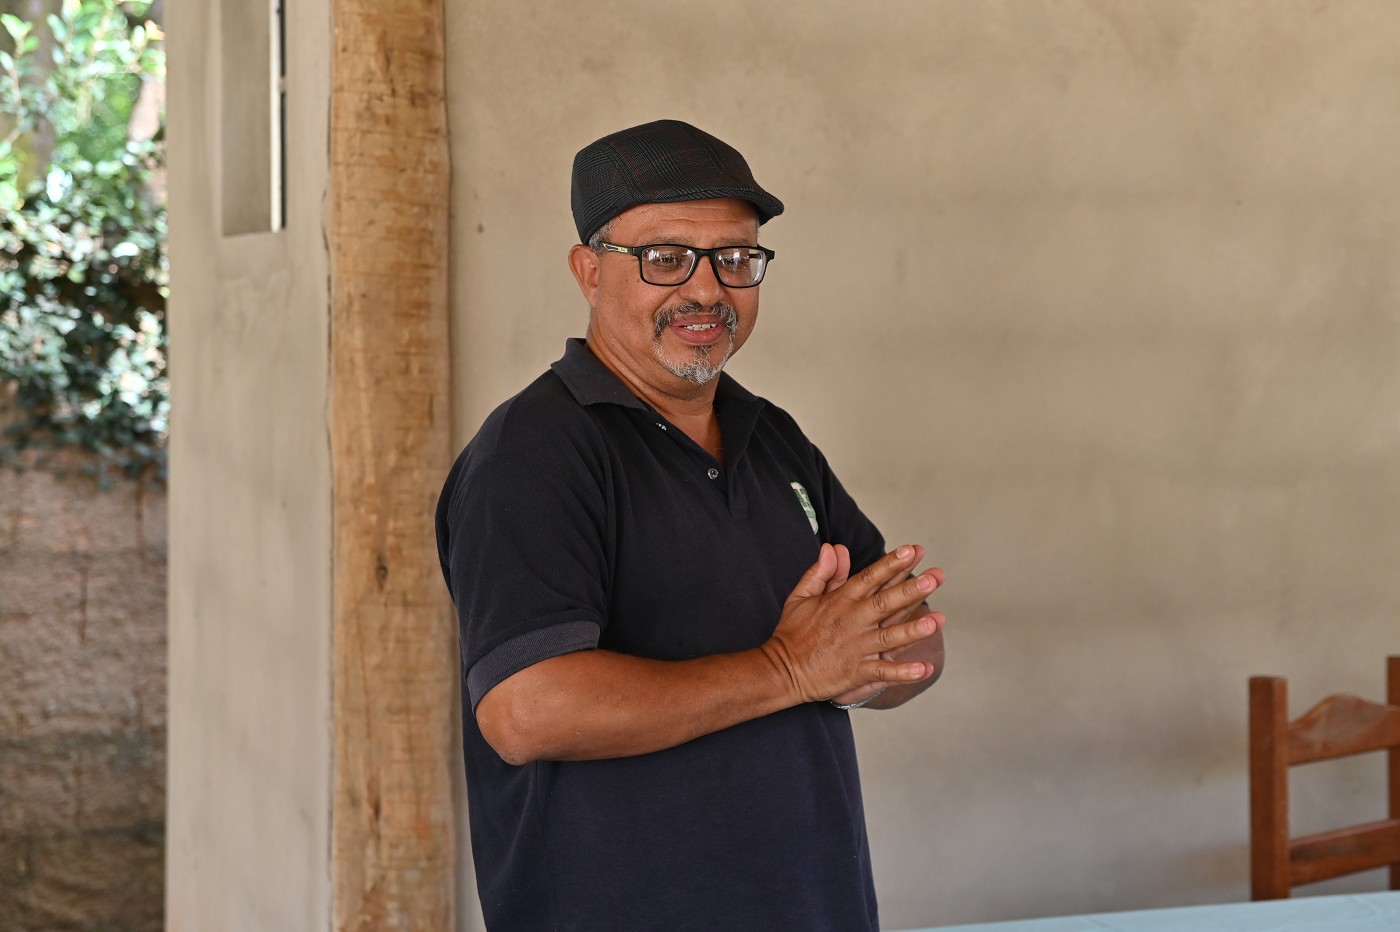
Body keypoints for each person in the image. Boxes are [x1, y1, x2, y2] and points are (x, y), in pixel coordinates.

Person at [435, 119, 947, 932]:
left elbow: (906, 632)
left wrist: (876, 666)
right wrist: (791, 668)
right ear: (589, 271)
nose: (707, 290)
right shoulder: (534, 456)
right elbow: (526, 711)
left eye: (735, 258)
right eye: (665, 258)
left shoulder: (770, 436)